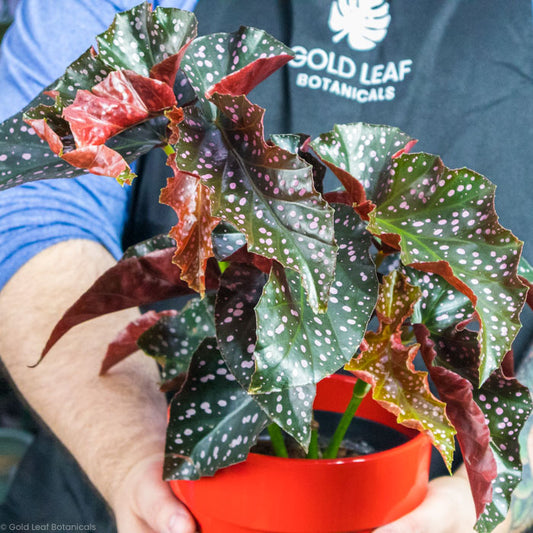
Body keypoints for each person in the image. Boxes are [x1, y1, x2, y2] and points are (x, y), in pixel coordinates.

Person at [0, 1, 532, 532]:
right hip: (109, 481)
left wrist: (483, 503)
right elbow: (28, 212)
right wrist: (130, 451)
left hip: (422, 496)